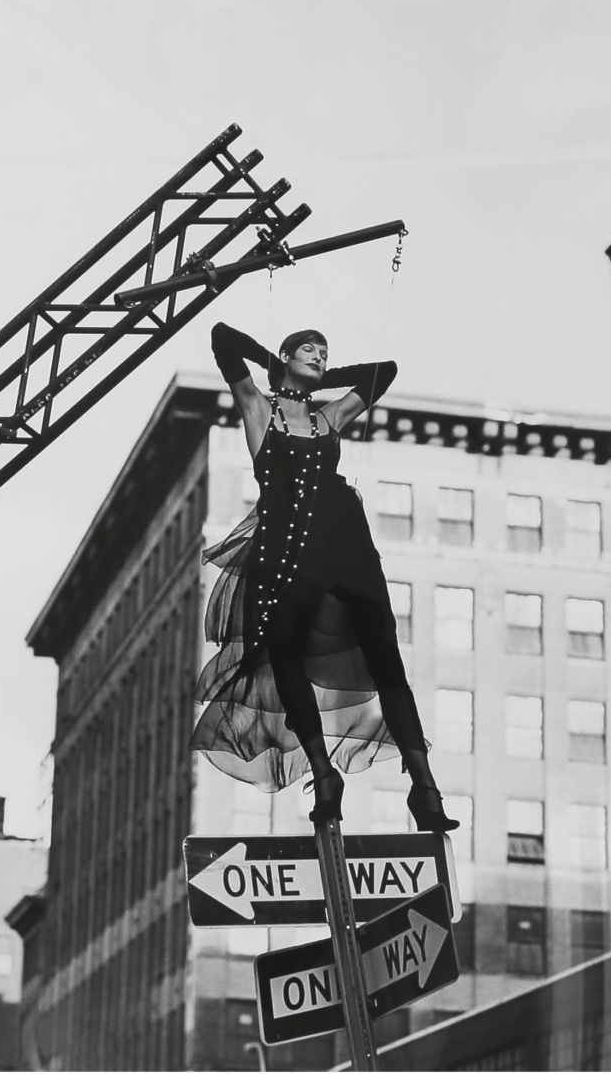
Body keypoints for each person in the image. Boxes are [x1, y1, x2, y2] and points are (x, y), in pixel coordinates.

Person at [190, 321, 459, 831]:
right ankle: (323, 772)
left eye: (325, 351)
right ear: (287, 355)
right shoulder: (257, 408)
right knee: (284, 656)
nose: (318, 355)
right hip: (288, 552)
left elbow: (385, 372)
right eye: (308, 349)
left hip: (344, 543)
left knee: (386, 657)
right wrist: (277, 364)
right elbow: (222, 337)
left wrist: (319, 374)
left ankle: (424, 785)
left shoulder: (329, 417)